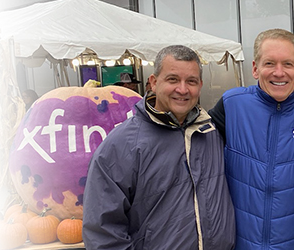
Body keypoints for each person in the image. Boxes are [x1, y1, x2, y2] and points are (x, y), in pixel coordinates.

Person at [82, 45, 235, 249]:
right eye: (173, 79)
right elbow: (103, 232)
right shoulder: (121, 145)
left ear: (200, 85)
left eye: (191, 81)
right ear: (154, 83)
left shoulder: (211, 132)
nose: (182, 89)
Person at [208, 28, 294, 250]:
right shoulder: (231, 106)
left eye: (287, 64)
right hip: (238, 244)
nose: (279, 72)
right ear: (255, 68)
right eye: (269, 63)